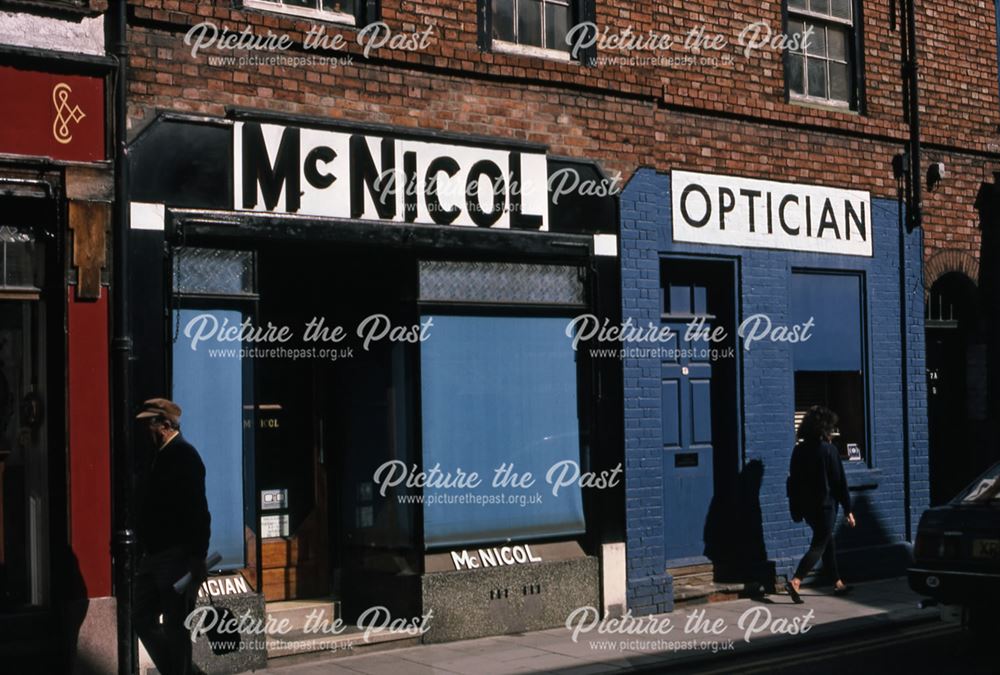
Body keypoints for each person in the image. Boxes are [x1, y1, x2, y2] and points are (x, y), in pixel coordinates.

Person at [132, 398, 211, 675]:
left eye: (149, 424)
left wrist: (197, 556)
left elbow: (198, 510)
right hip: (152, 555)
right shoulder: (157, 456)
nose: (145, 431)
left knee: (176, 627)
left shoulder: (184, 456)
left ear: (166, 425)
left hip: (176, 556)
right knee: (140, 617)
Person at [785, 405, 856, 603]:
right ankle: (796, 580)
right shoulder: (829, 450)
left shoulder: (798, 450)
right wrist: (848, 509)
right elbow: (839, 481)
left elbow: (793, 481)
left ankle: (838, 583)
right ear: (824, 428)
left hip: (808, 507)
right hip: (826, 506)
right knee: (819, 544)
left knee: (827, 541)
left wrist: (795, 507)